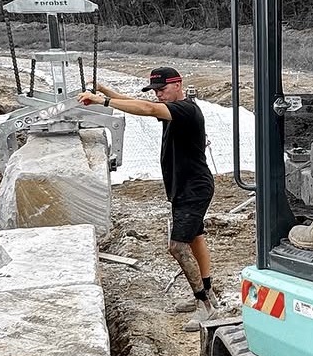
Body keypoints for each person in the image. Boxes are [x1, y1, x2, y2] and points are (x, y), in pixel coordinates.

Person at [82, 67, 221, 328]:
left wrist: (105, 102)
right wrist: (103, 90)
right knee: (195, 239)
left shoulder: (185, 110)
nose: (159, 95)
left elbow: (148, 109)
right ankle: (207, 293)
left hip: (194, 189)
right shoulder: (172, 108)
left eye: (163, 89)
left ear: (178, 84)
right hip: (184, 187)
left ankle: (206, 307)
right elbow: (139, 103)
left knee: (178, 247)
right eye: (155, 91)